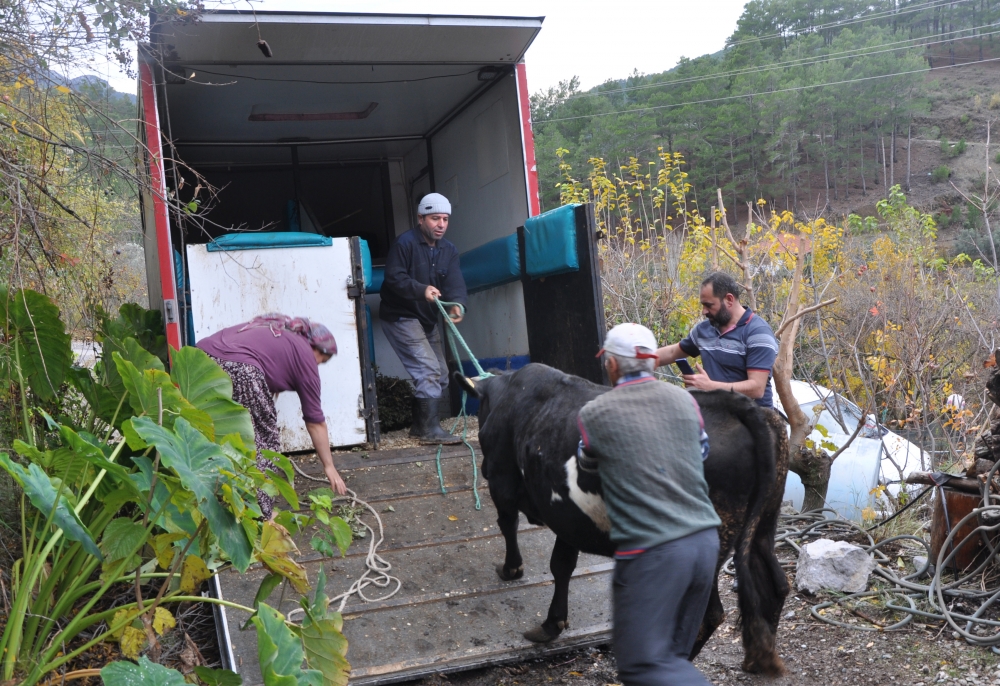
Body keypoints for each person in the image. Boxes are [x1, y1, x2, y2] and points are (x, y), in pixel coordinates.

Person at [576, 323, 721, 686]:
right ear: (653, 363)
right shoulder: (684, 400)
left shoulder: (594, 414)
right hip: (704, 543)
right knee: (672, 657)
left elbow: (587, 464)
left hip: (653, 551)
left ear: (611, 366)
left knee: (644, 665)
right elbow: (701, 450)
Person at [198, 313, 347, 519]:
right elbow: (315, 422)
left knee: (219, 434)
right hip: (240, 368)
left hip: (201, 358)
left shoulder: (279, 329)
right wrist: (329, 467)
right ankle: (261, 515)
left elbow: (267, 359)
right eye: (320, 362)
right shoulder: (304, 354)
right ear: (316, 348)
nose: (316, 367)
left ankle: (215, 502)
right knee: (264, 443)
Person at [380, 192, 467, 444]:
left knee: (440, 372)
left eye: (445, 219)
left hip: (427, 319)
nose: (441, 224)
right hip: (401, 316)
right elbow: (394, 278)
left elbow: (455, 282)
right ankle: (430, 431)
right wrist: (421, 289)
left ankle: (420, 427)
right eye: (435, 218)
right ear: (421, 218)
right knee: (427, 369)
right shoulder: (404, 244)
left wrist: (458, 305)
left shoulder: (449, 250)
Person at [655, 271, 778, 408]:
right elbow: (673, 352)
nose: (704, 311)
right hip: (719, 417)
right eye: (703, 305)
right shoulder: (704, 330)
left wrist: (710, 386)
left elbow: (756, 389)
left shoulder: (757, 333)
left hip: (754, 421)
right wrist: (642, 359)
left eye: (709, 305)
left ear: (729, 300)